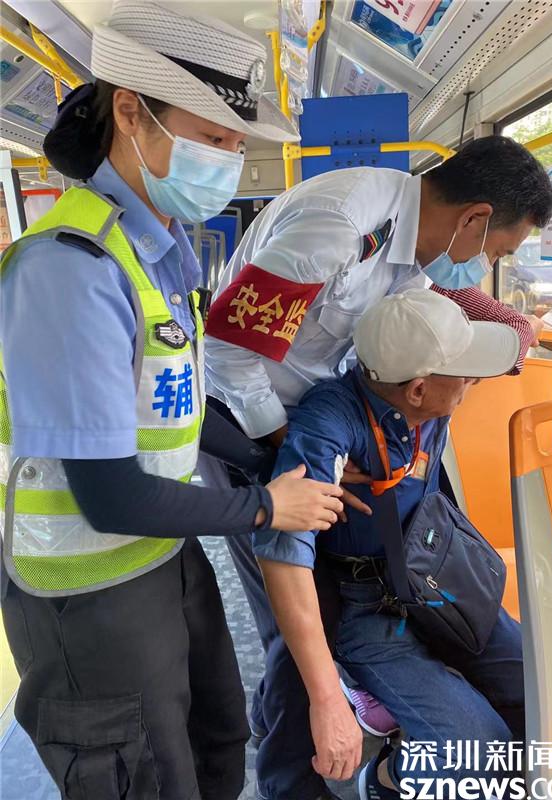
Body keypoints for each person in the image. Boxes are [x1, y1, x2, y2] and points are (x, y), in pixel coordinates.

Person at [0, 3, 344, 799]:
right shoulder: (70, 269)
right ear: (130, 112)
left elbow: (176, 404)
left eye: (237, 145)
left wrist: (271, 457)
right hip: (87, 590)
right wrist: (268, 507)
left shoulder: (160, 250)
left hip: (160, 554)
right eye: (212, 138)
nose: (228, 162)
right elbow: (109, 493)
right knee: (149, 781)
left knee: (220, 740)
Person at [204, 137, 552, 798]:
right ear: (475, 220)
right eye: (498, 253)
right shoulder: (336, 227)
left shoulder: (413, 247)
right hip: (250, 423)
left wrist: (507, 325)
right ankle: (294, 777)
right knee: (296, 628)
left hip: (313, 415)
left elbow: (424, 301)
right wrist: (291, 445)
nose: (487, 268)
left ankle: (352, 707)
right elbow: (227, 352)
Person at [254, 289, 525, 800]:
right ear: (418, 389)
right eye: (464, 371)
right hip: (374, 610)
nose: (474, 381)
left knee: (541, 692)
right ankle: (387, 780)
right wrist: (326, 700)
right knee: (475, 750)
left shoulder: (422, 393)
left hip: (442, 580)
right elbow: (282, 553)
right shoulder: (330, 421)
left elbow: (515, 340)